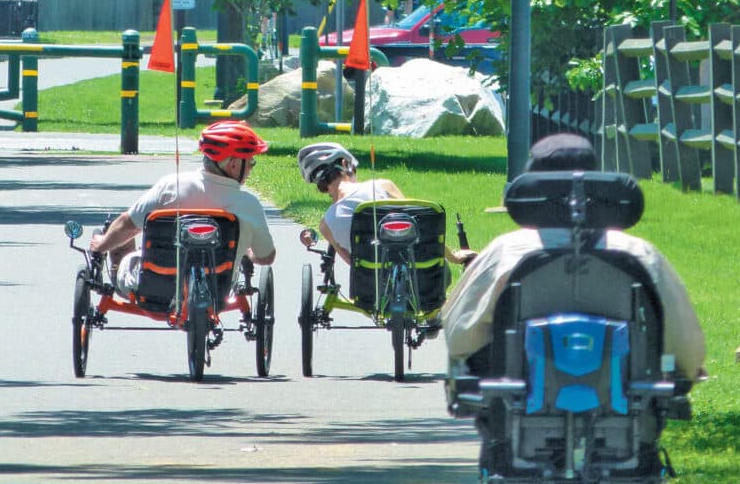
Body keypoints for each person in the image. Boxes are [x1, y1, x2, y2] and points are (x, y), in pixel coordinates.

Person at [442, 133, 707, 383]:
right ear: (596, 180)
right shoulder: (639, 253)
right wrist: (685, 368)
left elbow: (460, 335)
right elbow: (681, 336)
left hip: (519, 392)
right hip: (624, 396)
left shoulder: (505, 252)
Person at [89, 121, 276, 299]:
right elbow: (267, 256)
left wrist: (102, 244)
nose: (251, 168)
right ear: (234, 164)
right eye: (251, 162)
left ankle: (115, 274)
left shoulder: (171, 185)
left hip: (155, 289)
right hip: (219, 290)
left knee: (124, 241)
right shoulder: (249, 204)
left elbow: (127, 225)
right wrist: (249, 253)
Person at [296, 141, 476, 267]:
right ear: (345, 164)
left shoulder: (325, 226)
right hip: (418, 273)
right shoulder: (382, 186)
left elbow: (353, 264)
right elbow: (422, 226)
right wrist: (454, 257)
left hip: (371, 287)